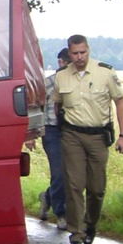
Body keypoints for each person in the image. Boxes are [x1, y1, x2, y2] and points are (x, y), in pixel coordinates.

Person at [54, 34, 123, 244]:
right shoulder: (61, 76)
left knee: (96, 189)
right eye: (75, 53)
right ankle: (75, 235)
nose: (79, 57)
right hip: (72, 135)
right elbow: (56, 105)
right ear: (69, 53)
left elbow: (120, 102)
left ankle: (90, 224)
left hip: (98, 136)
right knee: (74, 185)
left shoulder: (105, 72)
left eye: (83, 52)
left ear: (88, 50)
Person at [38, 49, 70, 231]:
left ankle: (48, 197)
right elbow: (36, 106)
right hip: (51, 131)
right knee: (59, 172)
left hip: (72, 131)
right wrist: (31, 134)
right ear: (60, 63)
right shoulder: (48, 83)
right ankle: (62, 213)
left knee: (72, 174)